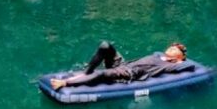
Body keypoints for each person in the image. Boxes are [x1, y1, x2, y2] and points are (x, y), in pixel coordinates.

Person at [50, 41, 193, 90]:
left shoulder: (170, 65)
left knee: (102, 74)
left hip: (130, 73)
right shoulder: (158, 55)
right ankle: (88, 71)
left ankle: (64, 83)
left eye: (175, 49)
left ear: (180, 57)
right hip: (124, 64)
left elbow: (189, 66)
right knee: (106, 46)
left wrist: (181, 61)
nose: (171, 48)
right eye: (172, 46)